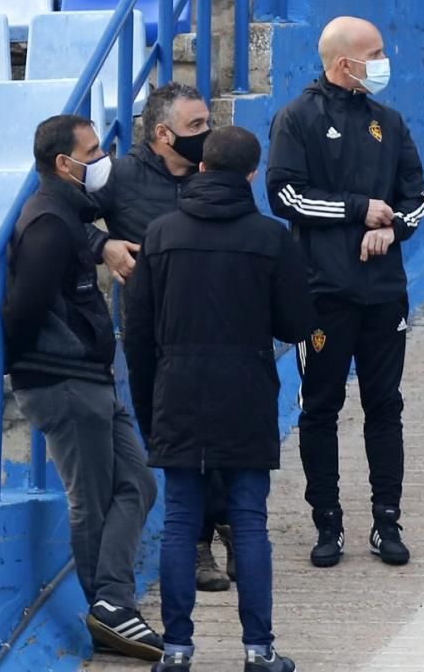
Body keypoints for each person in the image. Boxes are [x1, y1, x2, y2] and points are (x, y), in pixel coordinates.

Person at [124, 126, 313, 672]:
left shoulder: (159, 235)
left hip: (177, 394)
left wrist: (149, 407)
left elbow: (137, 336)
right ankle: (259, 651)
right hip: (247, 394)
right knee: (249, 521)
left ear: (201, 167)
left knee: (182, 520)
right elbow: (296, 322)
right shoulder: (272, 238)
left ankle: (177, 651)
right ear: (251, 175)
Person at [267, 16, 424, 569]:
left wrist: (393, 227)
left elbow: (418, 197)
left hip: (385, 295)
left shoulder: (388, 120)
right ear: (344, 64)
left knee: (386, 406)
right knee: (320, 409)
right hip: (323, 296)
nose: (385, 62)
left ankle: (387, 520)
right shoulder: (296, 118)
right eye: (376, 53)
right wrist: (358, 210)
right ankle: (327, 523)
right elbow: (286, 197)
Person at [4, 115, 162, 661]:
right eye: (92, 152)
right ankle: (108, 606)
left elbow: (88, 229)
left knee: (138, 483)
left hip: (91, 378)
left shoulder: (67, 213)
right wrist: (17, 355)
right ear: (63, 165)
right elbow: (22, 310)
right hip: (63, 381)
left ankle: (111, 601)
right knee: (90, 502)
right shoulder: (47, 222)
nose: (103, 160)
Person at [85, 82, 236, 594]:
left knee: (220, 432)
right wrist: (103, 243)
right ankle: (197, 541)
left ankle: (228, 526)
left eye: (209, 124)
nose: (207, 135)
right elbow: (55, 213)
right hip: (153, 334)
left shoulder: (218, 170)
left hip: (217, 326)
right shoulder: (121, 176)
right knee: (170, 439)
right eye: (196, 127)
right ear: (162, 135)